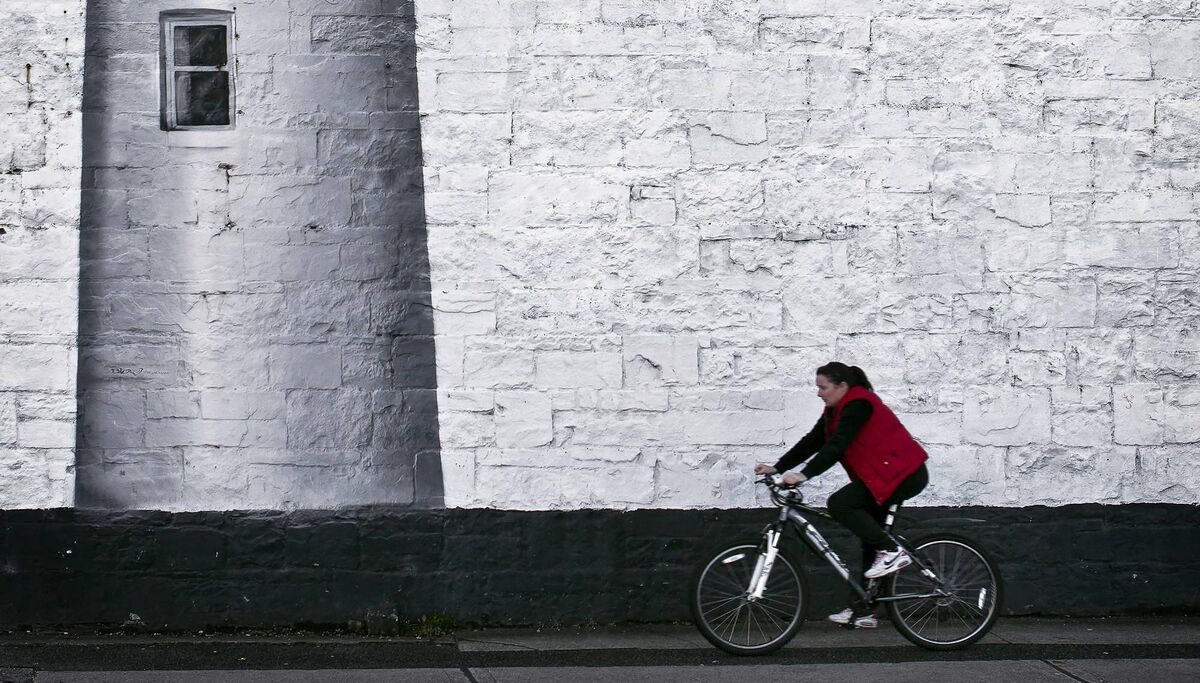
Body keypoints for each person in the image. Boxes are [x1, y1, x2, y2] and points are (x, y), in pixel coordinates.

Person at [754, 362, 929, 629]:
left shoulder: (860, 404)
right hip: (882, 477)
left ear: (842, 386)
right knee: (870, 539)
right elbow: (814, 441)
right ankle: (865, 611)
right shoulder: (834, 411)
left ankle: (892, 550)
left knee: (840, 504)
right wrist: (779, 466)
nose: (819, 393)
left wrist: (804, 475)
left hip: (904, 474)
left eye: (823, 387)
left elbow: (838, 446)